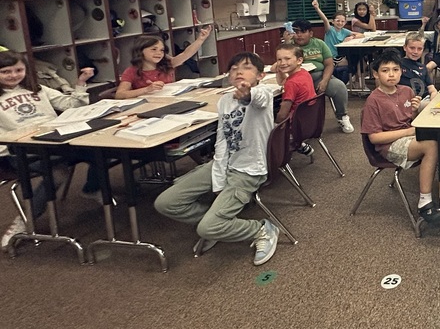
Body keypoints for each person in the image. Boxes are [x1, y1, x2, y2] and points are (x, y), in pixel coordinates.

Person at [153, 51, 281, 265]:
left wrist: (247, 94)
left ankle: (261, 229)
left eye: (247, 67)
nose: (239, 71)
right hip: (224, 163)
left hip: (249, 169)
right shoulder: (224, 101)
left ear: (260, 75)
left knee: (207, 228)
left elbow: (257, 98)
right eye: (233, 69)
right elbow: (222, 140)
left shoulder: (263, 93)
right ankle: (220, 223)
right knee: (166, 203)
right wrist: (219, 177)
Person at [1, 51, 93, 248]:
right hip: (20, 150)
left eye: (18, 70)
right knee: (58, 173)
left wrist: (81, 83)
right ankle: (25, 220)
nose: (13, 75)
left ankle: (93, 188)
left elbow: (71, 105)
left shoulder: (38, 89)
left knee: (100, 151)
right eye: (5, 71)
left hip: (54, 142)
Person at [360, 48, 440, 220]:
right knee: (431, 145)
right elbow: (374, 138)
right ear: (376, 74)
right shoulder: (373, 100)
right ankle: (424, 202)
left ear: (401, 71)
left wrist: (414, 111)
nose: (391, 74)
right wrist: (409, 131)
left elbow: (410, 121)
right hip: (389, 145)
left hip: (410, 138)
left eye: (395, 70)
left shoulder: (406, 91)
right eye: (385, 70)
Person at [291, 20, 353, 132]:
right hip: (297, 80)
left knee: (339, 87)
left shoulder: (319, 44)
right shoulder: (289, 46)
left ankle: (342, 116)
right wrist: (287, 43)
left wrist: (324, 81)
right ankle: (294, 124)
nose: (298, 35)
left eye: (302, 32)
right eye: (296, 32)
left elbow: (329, 64)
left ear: (310, 33)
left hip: (318, 76)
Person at [114, 27, 212, 98]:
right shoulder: (131, 71)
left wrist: (200, 39)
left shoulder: (167, 64)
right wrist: (147, 89)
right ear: (140, 51)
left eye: (162, 50)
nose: (159, 53)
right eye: (154, 49)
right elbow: (119, 94)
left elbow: (186, 54)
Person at [310, 0, 361, 84]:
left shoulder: (344, 31)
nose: (340, 23)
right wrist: (317, 8)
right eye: (338, 21)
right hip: (330, 57)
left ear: (345, 22)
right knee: (349, 64)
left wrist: (351, 37)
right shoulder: (330, 30)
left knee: (356, 59)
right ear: (333, 22)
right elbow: (325, 20)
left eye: (342, 21)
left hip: (340, 57)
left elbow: (360, 35)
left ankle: (352, 82)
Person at [273, 43, 316, 124]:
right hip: (308, 120)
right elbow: (282, 82)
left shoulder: (292, 83)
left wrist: (274, 126)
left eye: (287, 59)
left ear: (299, 60)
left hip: (294, 124)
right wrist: (279, 70)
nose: (282, 63)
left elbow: (282, 115)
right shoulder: (303, 73)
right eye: (279, 60)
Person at [400, 31, 438, 98]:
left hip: (425, 99)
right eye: (412, 48)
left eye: (419, 49)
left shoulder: (423, 67)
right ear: (405, 47)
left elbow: (432, 89)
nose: (415, 52)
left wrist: (433, 100)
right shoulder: (398, 65)